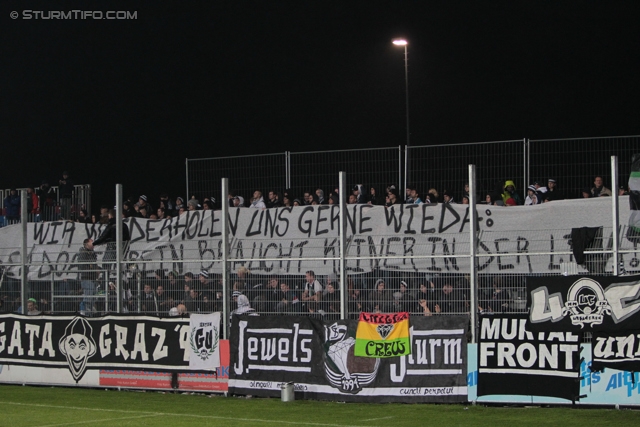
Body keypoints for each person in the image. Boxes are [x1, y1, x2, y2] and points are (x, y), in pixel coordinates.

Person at [77, 238, 101, 315]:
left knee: (93, 296)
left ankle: (89, 312)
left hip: (93, 278)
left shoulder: (92, 253)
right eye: (91, 242)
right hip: (87, 278)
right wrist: (93, 269)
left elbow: (93, 264)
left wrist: (97, 269)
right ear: (86, 244)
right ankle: (85, 312)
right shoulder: (83, 253)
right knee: (88, 296)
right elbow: (82, 265)